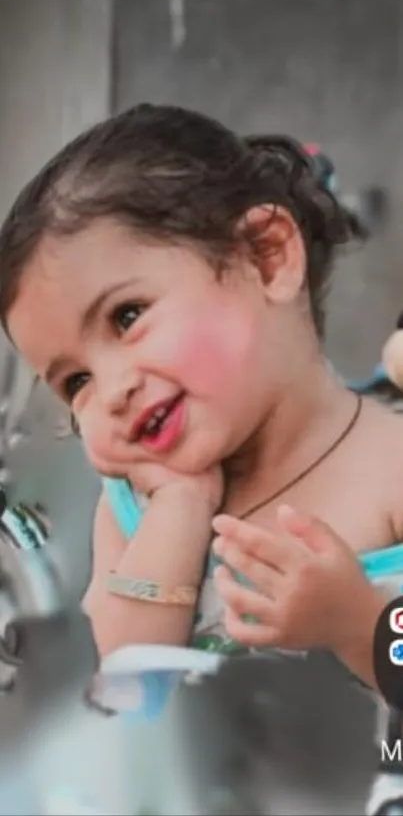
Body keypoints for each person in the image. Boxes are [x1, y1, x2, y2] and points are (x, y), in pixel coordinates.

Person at [0, 104, 401, 688]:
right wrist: (179, 517)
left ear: (267, 257)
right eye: (76, 382)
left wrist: (357, 623)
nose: (111, 391)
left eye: (127, 316)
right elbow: (114, 690)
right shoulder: (134, 507)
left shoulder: (388, 468)